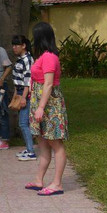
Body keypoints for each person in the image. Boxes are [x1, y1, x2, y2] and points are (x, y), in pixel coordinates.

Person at [25, 22, 68, 196]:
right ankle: (39, 179)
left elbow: (48, 84)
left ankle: (57, 183)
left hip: (50, 106)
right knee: (43, 142)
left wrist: (41, 107)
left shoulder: (49, 57)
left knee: (55, 143)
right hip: (39, 103)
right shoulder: (41, 56)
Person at [10, 34, 36, 161]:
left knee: (23, 123)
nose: (14, 48)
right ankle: (28, 148)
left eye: (16, 45)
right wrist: (16, 95)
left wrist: (24, 98)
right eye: (13, 45)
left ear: (24, 46)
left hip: (26, 93)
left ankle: (31, 152)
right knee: (23, 122)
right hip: (20, 92)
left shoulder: (27, 60)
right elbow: (17, 80)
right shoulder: (20, 59)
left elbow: (28, 81)